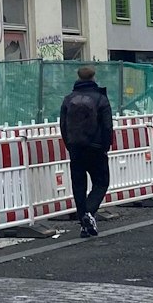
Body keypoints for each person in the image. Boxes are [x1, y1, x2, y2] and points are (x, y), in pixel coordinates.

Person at [58, 65, 114, 237]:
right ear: (93, 78)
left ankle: (84, 223)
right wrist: (105, 146)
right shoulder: (100, 99)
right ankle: (88, 213)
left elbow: (63, 126)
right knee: (101, 182)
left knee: (79, 185)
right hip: (96, 148)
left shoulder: (68, 99)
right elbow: (107, 126)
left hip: (76, 148)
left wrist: (70, 145)